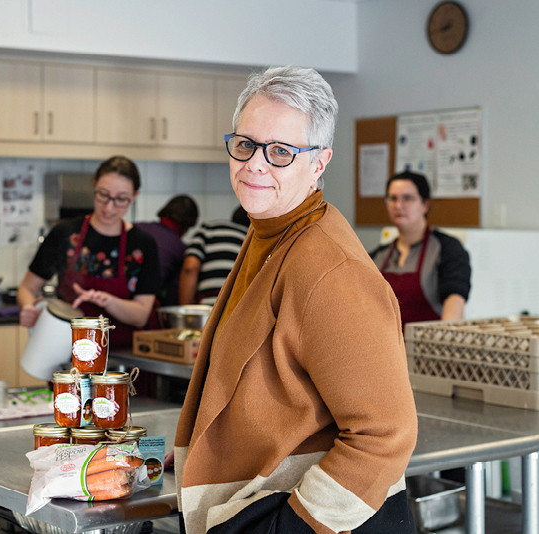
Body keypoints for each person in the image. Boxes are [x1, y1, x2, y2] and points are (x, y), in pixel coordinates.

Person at [174, 66, 419, 534]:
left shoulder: (329, 267)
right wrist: (209, 449)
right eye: (245, 144)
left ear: (319, 163)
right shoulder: (270, 232)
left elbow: (385, 434)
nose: (255, 164)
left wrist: (292, 526)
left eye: (281, 152)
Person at [18, 155, 161, 347]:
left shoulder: (143, 245)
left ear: (134, 196)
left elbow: (141, 316)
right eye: (103, 195)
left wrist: (108, 301)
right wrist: (28, 306)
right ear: (94, 186)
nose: (109, 207)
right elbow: (27, 288)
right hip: (68, 354)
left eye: (121, 199)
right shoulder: (65, 234)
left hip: (122, 362)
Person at [370, 171, 471, 326]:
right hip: (387, 348)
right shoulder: (378, 256)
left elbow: (454, 305)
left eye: (407, 198)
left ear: (425, 205)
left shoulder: (447, 249)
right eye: (393, 198)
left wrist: (443, 341)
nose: (398, 206)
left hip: (429, 347)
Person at [134, 194, 199, 306]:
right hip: (146, 306)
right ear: (188, 225)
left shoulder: (136, 227)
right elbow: (174, 294)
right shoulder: (181, 249)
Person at [178, 206, 250, 305]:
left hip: (205, 308)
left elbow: (190, 266)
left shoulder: (209, 229)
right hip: (236, 308)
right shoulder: (251, 240)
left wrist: (188, 310)